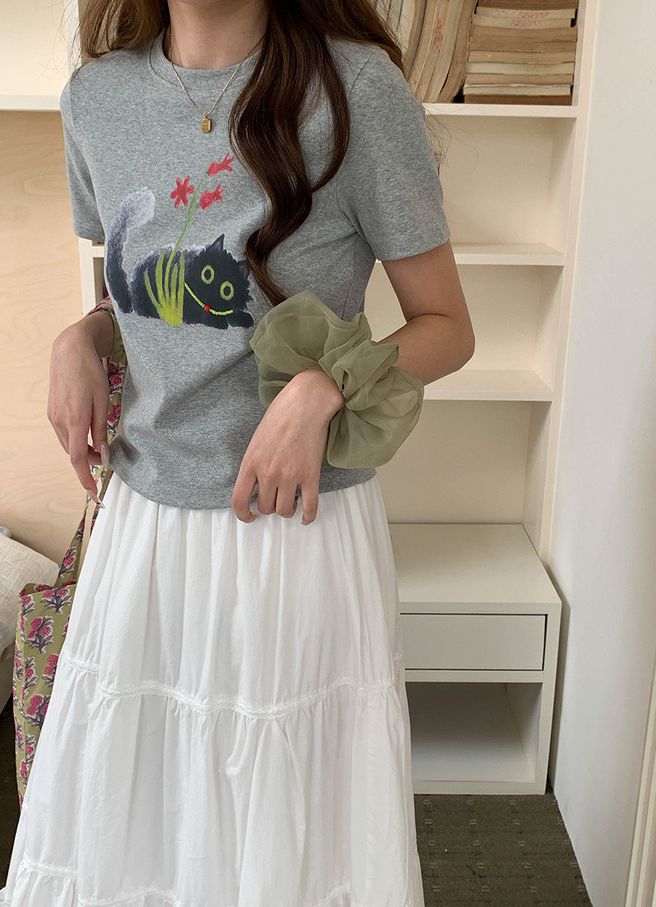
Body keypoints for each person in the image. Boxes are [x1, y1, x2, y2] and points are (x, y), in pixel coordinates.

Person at [1, 0, 474, 904]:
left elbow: (447, 326)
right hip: (146, 530)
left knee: (284, 837)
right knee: (138, 825)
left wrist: (324, 386)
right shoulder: (97, 101)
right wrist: (85, 335)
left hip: (293, 530)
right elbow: (152, 298)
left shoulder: (356, 92)